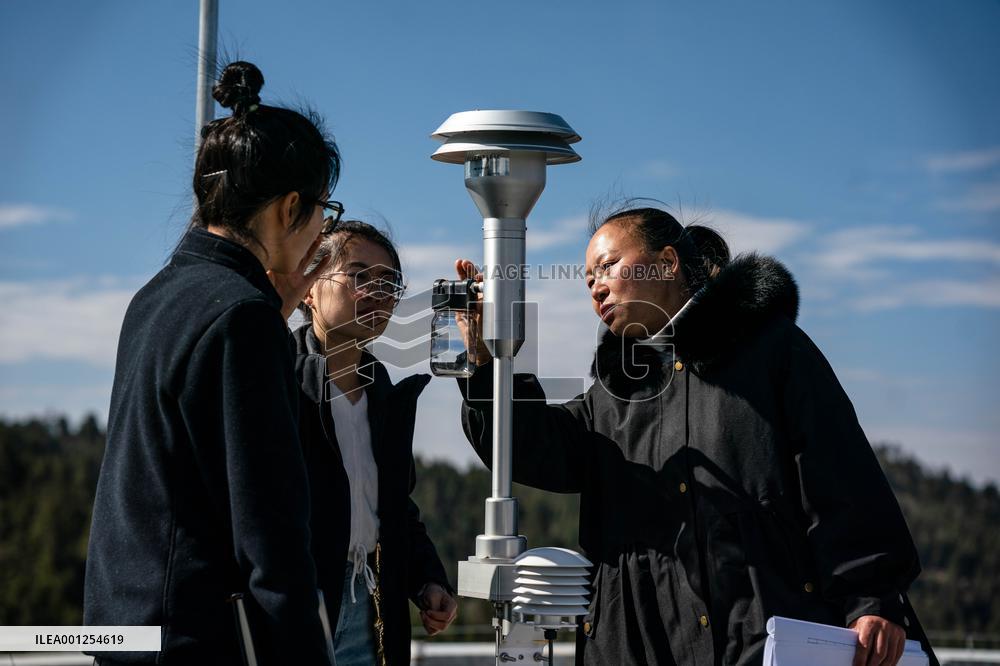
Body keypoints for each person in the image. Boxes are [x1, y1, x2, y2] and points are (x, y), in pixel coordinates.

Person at [454, 205, 938, 666]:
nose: (596, 288)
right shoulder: (613, 393)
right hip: (638, 640)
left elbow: (838, 469)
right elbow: (534, 447)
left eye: (607, 266)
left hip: (761, 634)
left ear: (667, 262)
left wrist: (870, 597)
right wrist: (484, 362)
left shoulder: (769, 350)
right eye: (587, 280)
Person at [84, 61, 341, 665]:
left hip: (126, 629)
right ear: (290, 207)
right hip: (197, 640)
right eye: (324, 210)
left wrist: (267, 311)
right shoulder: (241, 318)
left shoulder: (157, 295)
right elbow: (270, 530)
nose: (323, 231)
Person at [296, 220, 457, 665]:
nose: (376, 291)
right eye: (358, 275)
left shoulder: (386, 397)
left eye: (389, 282)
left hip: (370, 607)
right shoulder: (276, 381)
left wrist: (427, 580)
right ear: (308, 289)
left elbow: (394, 509)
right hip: (296, 606)